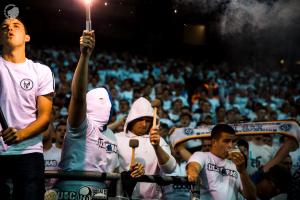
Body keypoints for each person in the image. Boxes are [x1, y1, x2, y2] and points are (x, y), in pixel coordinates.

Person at [54, 30, 143, 200]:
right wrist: (85, 57)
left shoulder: (110, 135)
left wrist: (131, 173)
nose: (105, 105)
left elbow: (114, 171)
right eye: (99, 101)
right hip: (71, 189)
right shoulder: (81, 125)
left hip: (101, 192)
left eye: (107, 102)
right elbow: (78, 97)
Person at [0, 18, 54, 200]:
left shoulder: (41, 71)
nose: (10, 29)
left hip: (29, 153)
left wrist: (20, 135)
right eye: (4, 27)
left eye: (16, 26)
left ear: (27, 37)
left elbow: (45, 117)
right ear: (0, 38)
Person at [115, 97, 177, 199]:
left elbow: (170, 168)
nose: (144, 124)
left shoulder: (158, 140)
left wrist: (156, 147)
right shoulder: (117, 138)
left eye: (148, 121)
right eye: (140, 120)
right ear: (131, 118)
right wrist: (127, 174)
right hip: (123, 197)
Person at [186, 124, 256, 200]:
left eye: (233, 141)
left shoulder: (235, 165)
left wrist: (243, 171)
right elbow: (193, 166)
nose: (230, 145)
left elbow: (251, 197)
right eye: (226, 141)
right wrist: (192, 173)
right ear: (214, 142)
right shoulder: (202, 155)